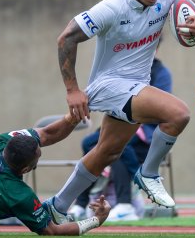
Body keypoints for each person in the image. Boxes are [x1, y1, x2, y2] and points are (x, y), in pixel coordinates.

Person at [45, 0, 195, 223]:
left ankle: (57, 206)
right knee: (178, 114)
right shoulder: (112, 7)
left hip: (137, 85)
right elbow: (66, 38)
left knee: (107, 152)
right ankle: (149, 174)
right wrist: (72, 90)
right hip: (109, 85)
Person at [70, 52, 173, 222]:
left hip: (146, 136)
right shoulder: (126, 67)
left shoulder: (161, 73)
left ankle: (125, 204)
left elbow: (162, 110)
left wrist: (136, 114)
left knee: (116, 145)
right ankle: (81, 204)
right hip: (123, 124)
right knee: (89, 143)